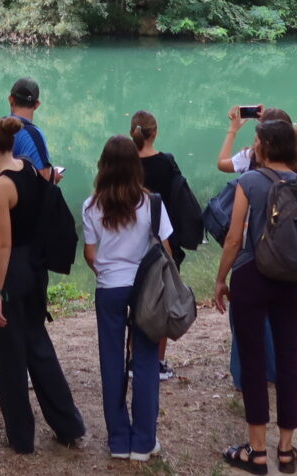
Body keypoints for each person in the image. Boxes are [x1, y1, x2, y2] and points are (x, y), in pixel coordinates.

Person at [0, 116, 85, 454]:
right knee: (38, 346)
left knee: (8, 355)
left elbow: (3, 245)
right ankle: (68, 425)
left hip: (11, 272)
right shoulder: (27, 167)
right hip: (36, 268)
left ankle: (21, 438)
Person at [215, 119, 297, 475]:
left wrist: (220, 278)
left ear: (266, 145)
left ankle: (257, 452)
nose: (254, 146)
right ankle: (286, 451)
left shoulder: (250, 181)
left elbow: (233, 238)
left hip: (252, 277)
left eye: (257, 141)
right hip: (290, 280)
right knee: (289, 360)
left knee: (254, 362)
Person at [83, 134, 171, 461]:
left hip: (109, 289)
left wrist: (106, 272)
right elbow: (167, 251)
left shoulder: (91, 206)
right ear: (136, 166)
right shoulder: (152, 203)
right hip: (145, 288)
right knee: (146, 360)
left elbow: (90, 255)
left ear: (103, 166)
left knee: (111, 361)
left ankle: (119, 440)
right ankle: (144, 442)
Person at [132, 109, 184, 380]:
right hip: (162, 238)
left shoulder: (126, 163)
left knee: (135, 302)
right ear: (156, 132)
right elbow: (178, 200)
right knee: (161, 299)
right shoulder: (167, 163)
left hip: (131, 242)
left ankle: (132, 360)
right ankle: (158, 362)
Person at [0, 77, 61, 236]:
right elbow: (43, 181)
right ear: (37, 104)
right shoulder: (34, 135)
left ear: (11, 99)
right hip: (17, 224)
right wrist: (54, 178)